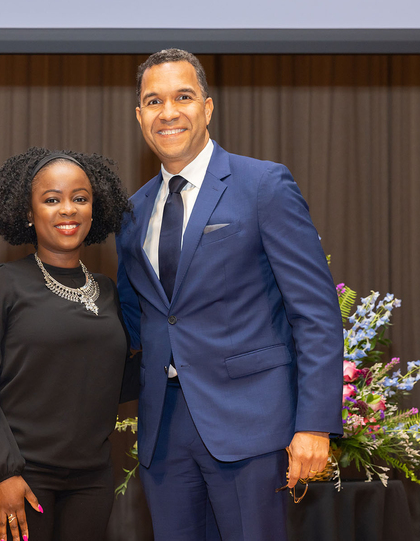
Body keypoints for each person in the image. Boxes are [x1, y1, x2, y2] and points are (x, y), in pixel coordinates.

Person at [116, 48, 344, 540]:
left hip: (251, 426)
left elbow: (316, 314)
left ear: (208, 107)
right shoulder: (132, 213)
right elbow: (135, 323)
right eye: (153, 101)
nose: (169, 112)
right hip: (163, 431)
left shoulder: (263, 184)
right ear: (139, 116)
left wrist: (316, 425)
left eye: (183, 97)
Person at [0, 147, 137, 541]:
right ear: (28, 211)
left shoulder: (108, 291)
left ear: (95, 209)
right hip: (18, 477)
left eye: (80, 198)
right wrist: (1, 472)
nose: (68, 209)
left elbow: (117, 381)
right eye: (52, 199)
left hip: (91, 480)